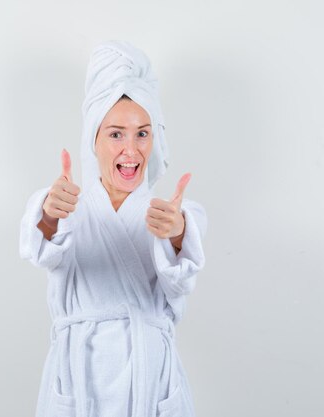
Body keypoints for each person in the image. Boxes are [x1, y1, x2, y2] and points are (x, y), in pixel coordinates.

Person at [19, 40, 207, 417]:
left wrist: (176, 232)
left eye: (142, 133)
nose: (131, 149)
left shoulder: (177, 214)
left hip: (150, 376)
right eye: (116, 133)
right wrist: (51, 214)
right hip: (79, 374)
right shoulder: (63, 203)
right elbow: (39, 244)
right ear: (95, 140)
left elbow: (182, 279)